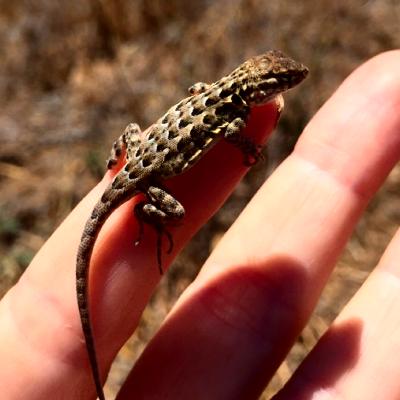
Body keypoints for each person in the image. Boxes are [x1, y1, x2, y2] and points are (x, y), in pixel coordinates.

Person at [1, 51, 400, 399]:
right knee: (173, 214)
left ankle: (117, 163)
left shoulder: (211, 89)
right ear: (256, 89)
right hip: (149, 180)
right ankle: (146, 215)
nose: (289, 85)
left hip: (139, 153)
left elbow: (195, 91)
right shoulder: (236, 115)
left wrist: (119, 162)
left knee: (132, 136)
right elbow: (231, 134)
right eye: (282, 81)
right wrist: (248, 146)